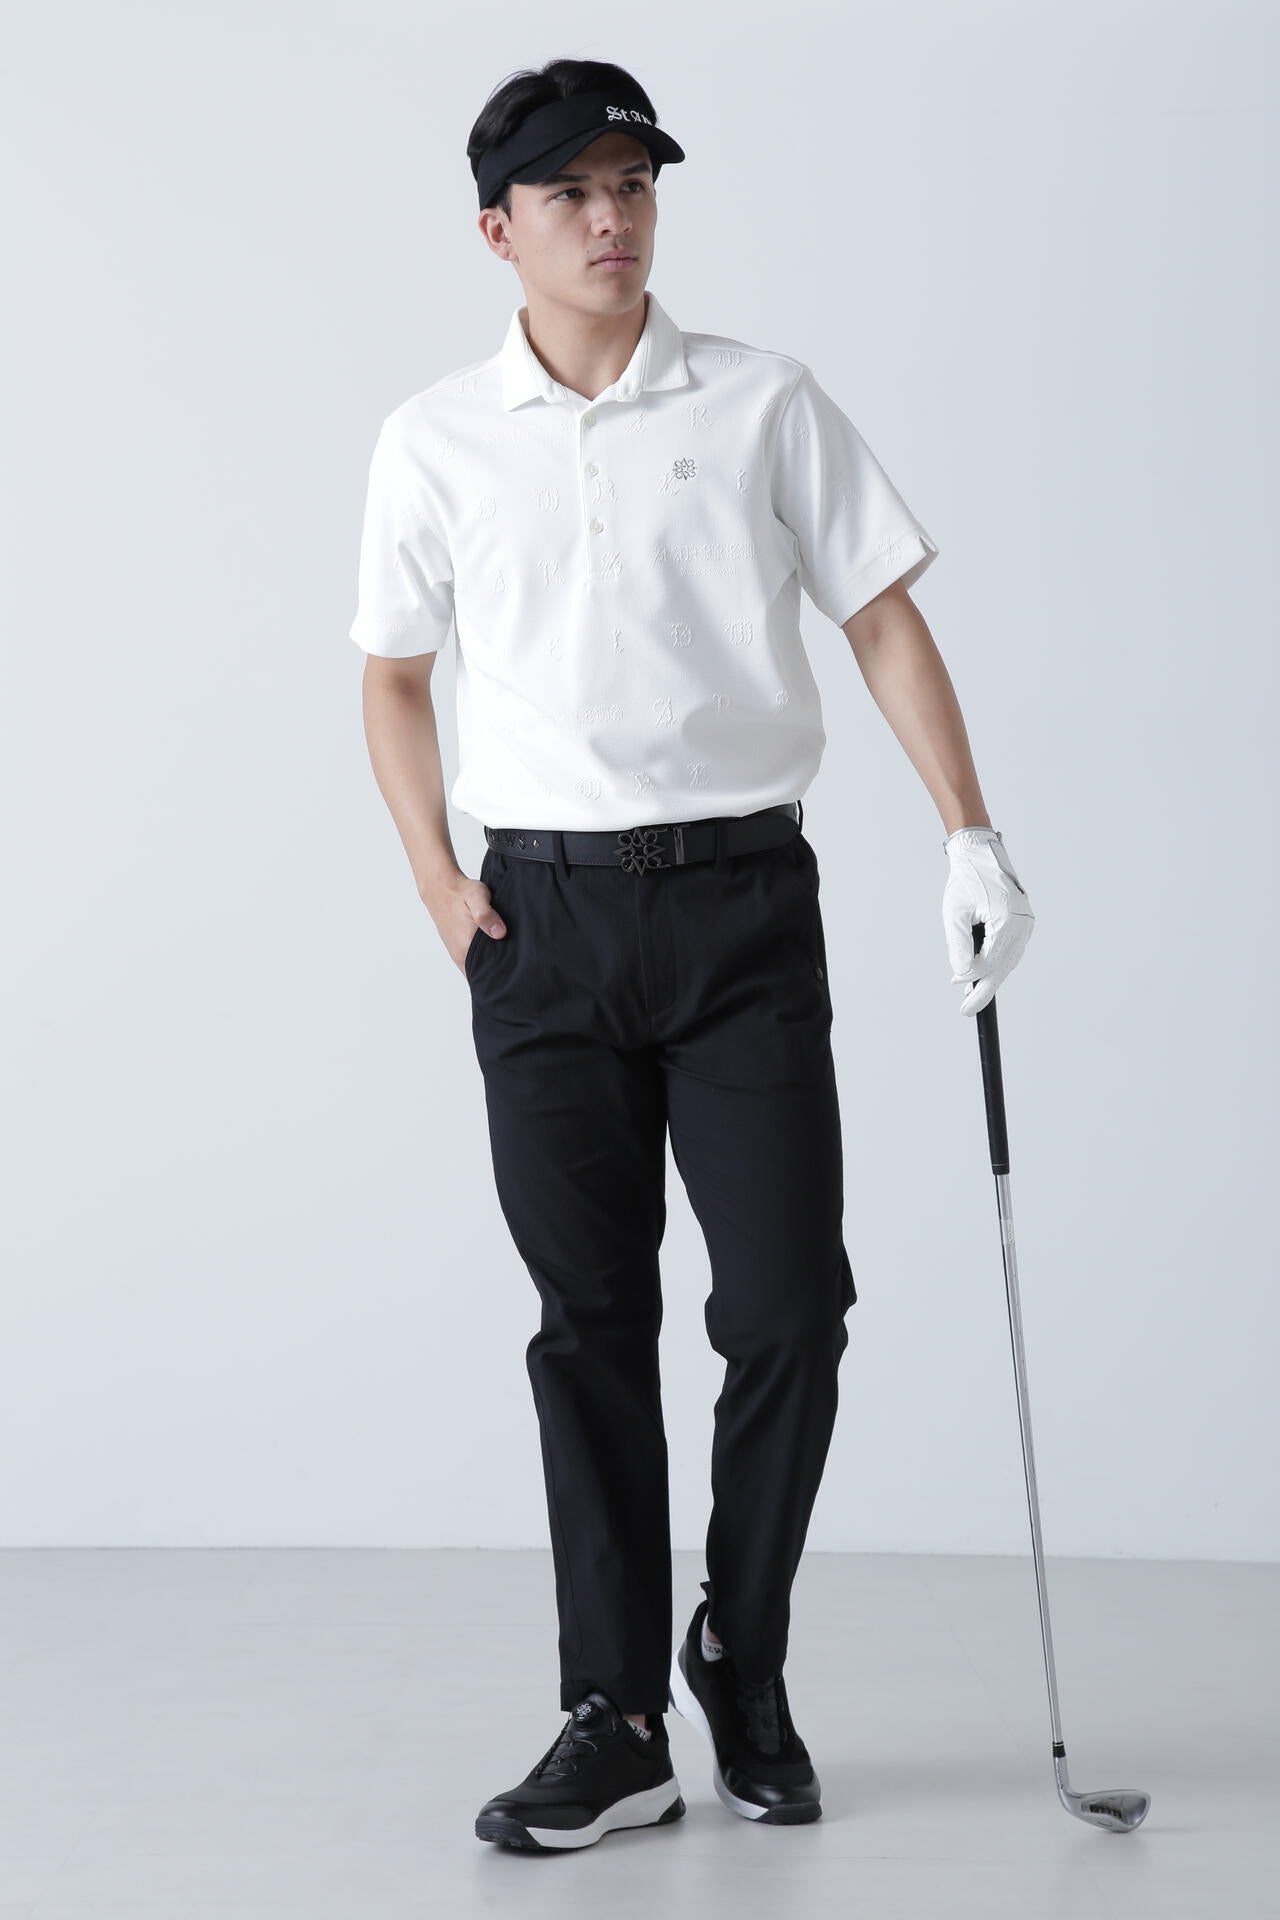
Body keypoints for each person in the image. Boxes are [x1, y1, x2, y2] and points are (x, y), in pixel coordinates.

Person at [347, 57, 1034, 1854]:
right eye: (571, 193)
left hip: (739, 911)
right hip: (543, 924)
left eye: (634, 184)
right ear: (496, 230)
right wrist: (439, 887)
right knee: (590, 1324)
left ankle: (741, 1646)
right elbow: (395, 677)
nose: (612, 218)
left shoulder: (761, 402)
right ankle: (616, 1718)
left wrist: (968, 832)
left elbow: (881, 617)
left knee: (791, 1305)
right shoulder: (434, 439)